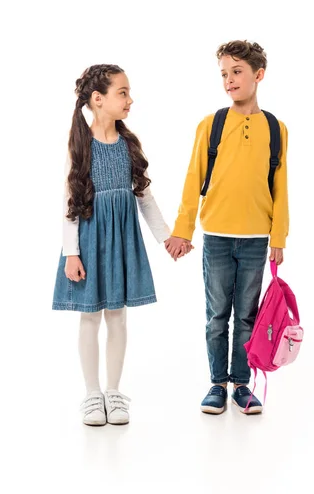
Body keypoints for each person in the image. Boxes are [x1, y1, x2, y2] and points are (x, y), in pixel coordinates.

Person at [53, 64, 191, 426]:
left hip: (121, 239)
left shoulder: (129, 144)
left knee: (117, 316)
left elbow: (144, 197)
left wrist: (166, 238)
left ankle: (114, 393)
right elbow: (70, 202)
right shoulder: (80, 146)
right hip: (90, 239)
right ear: (98, 100)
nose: (130, 99)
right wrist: (72, 252)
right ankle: (91, 394)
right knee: (89, 316)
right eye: (123, 92)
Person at [165, 40, 289, 415]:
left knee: (248, 316)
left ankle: (242, 385)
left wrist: (278, 237)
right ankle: (217, 383)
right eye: (224, 74)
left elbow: (280, 186)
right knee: (217, 314)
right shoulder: (211, 125)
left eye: (236, 72)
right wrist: (183, 230)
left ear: (258, 75)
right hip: (216, 236)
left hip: (255, 239)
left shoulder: (276, 128)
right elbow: (193, 180)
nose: (229, 80)